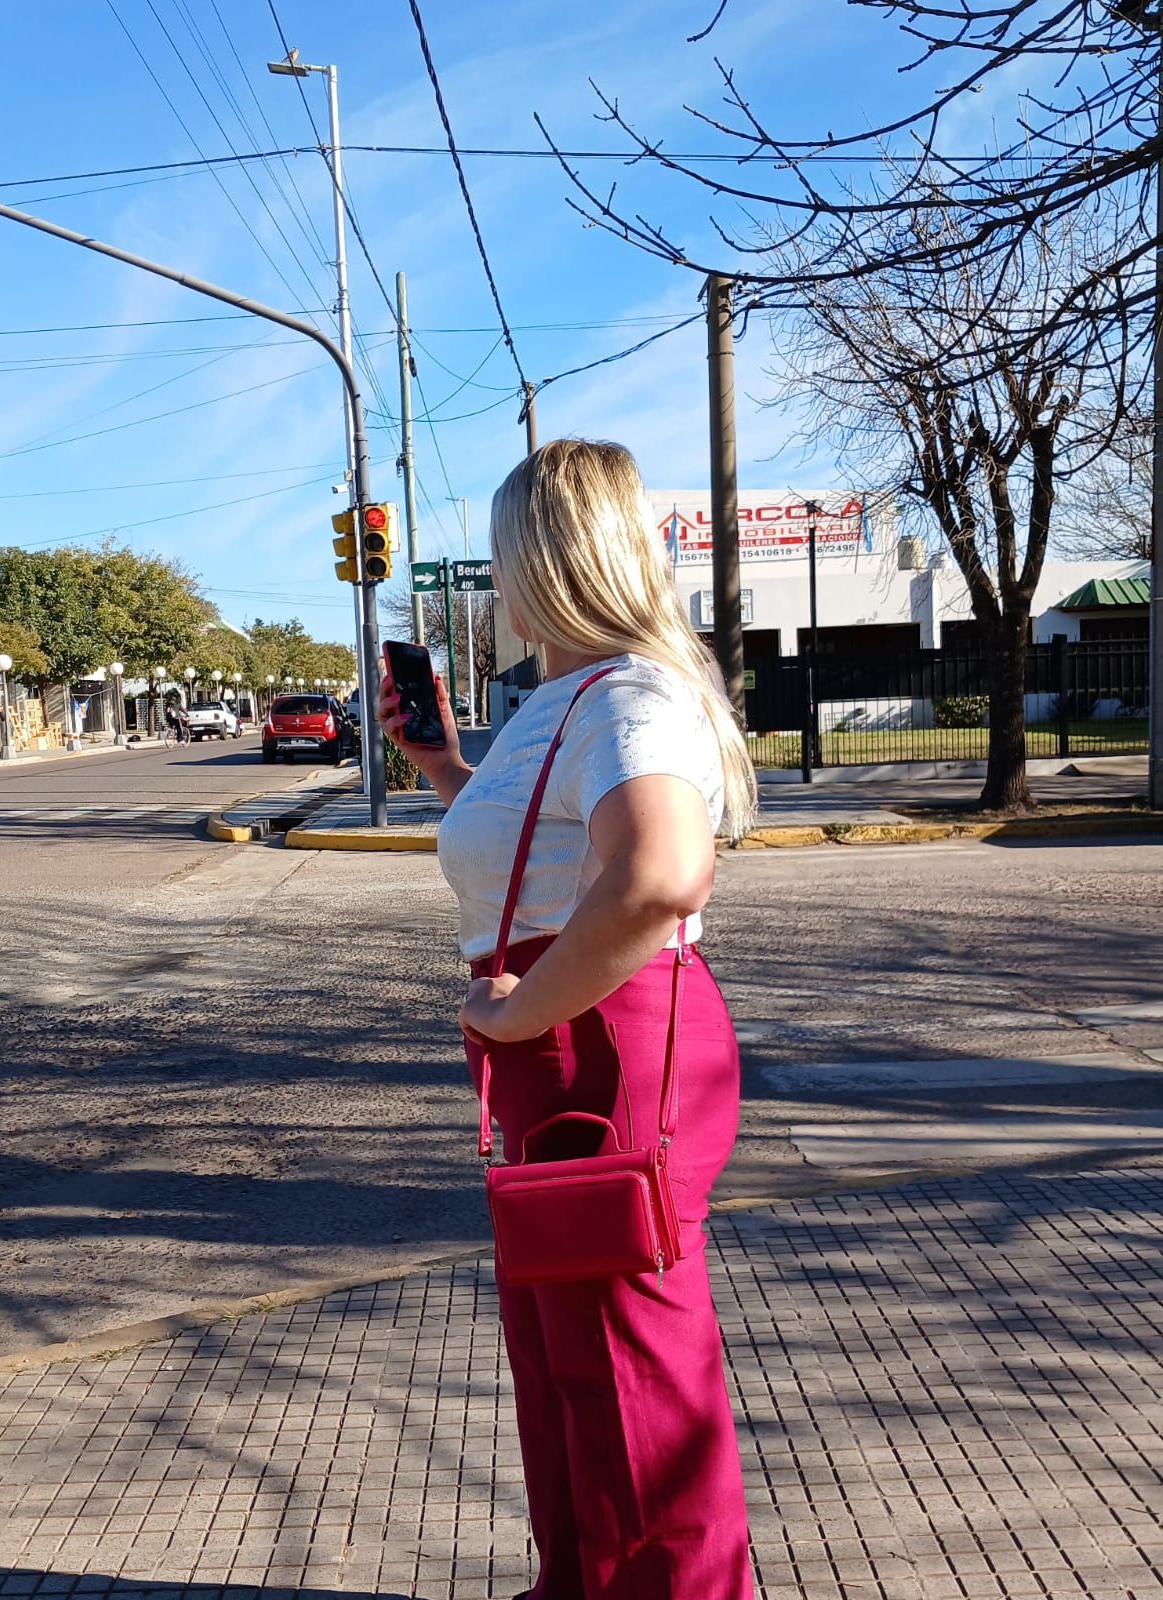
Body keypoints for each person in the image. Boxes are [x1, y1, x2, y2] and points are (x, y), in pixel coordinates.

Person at [377, 439, 758, 1600]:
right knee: (562, 1355)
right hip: (559, 1042)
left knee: (630, 1367)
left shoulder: (631, 694)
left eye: (502, 553)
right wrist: (444, 767)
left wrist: (518, 1009)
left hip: (598, 1038)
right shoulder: (567, 700)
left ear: (540, 555)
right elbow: (543, 868)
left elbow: (657, 873)